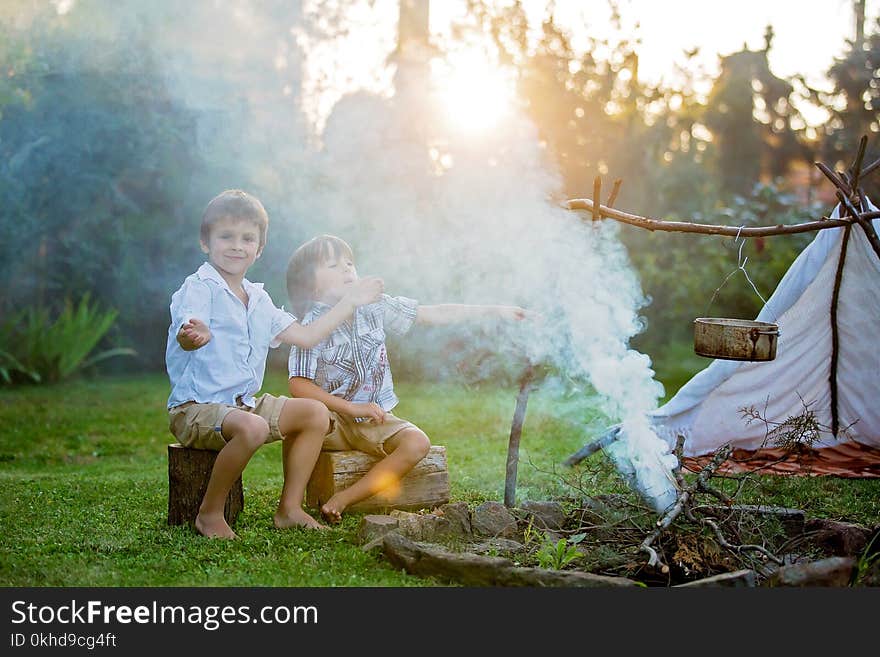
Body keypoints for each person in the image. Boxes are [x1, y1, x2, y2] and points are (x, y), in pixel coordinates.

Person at [166, 191, 383, 539]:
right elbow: (187, 327)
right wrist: (194, 333)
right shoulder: (198, 287)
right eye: (226, 237)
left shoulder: (259, 299)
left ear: (259, 248)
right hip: (196, 409)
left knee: (315, 413)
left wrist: (351, 302)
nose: (237, 246)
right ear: (205, 242)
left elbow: (308, 335)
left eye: (247, 238)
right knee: (251, 428)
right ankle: (208, 514)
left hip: (243, 405)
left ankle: (289, 509)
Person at [285, 234, 532, 522]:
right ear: (311, 285)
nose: (346, 269)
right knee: (301, 425)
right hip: (331, 422)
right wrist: (350, 408)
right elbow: (297, 384)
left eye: (349, 263)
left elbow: (433, 313)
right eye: (333, 265)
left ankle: (344, 499)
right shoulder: (310, 326)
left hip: (374, 419)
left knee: (417, 443)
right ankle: (290, 506)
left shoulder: (375, 307)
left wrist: (494, 310)